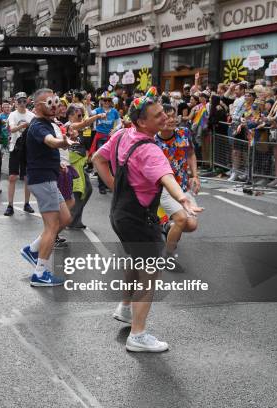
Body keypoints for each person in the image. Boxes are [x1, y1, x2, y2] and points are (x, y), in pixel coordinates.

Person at [92, 88, 202, 352]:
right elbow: (167, 178)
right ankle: (138, 336)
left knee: (136, 260)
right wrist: (183, 199)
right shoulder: (150, 149)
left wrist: (114, 188)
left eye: (164, 112)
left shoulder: (121, 135)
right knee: (150, 273)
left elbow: (97, 158)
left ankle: (126, 307)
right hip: (139, 217)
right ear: (142, 122)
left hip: (120, 213)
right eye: (158, 115)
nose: (165, 117)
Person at [20, 88, 74, 287]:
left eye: (55, 101)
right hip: (43, 180)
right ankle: (40, 274)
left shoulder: (47, 123)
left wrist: (57, 163)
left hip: (47, 177)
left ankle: (32, 249)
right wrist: (61, 143)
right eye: (48, 103)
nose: (54, 106)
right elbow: (49, 142)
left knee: (66, 218)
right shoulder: (38, 126)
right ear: (37, 106)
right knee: (51, 227)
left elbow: (43, 150)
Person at [155, 105, 200, 264]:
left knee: (191, 225)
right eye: (168, 117)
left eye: (174, 116)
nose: (173, 120)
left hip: (182, 187)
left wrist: (195, 175)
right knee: (181, 220)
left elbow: (191, 153)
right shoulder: (152, 140)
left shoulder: (184, 133)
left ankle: (168, 226)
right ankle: (168, 256)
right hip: (162, 189)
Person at [4, 92, 35, 216]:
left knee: (27, 177)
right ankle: (10, 205)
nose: (22, 104)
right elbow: (11, 129)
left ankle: (27, 203)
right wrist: (23, 125)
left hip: (28, 148)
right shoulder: (12, 115)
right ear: (15, 102)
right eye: (19, 101)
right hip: (15, 147)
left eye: (24, 101)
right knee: (12, 177)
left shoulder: (32, 115)